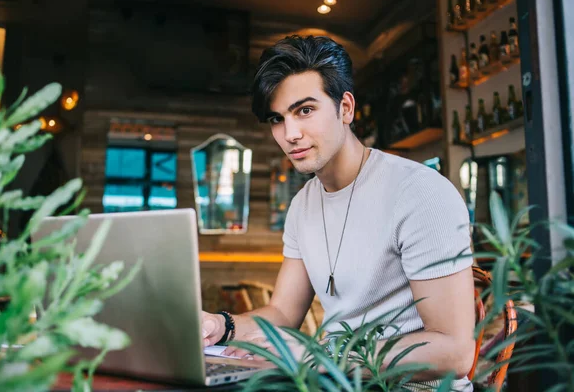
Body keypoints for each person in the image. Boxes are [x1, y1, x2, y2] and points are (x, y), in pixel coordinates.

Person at [202, 35, 475, 390]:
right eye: (276, 119)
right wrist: (221, 325)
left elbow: (454, 352)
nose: (290, 134)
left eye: (305, 110)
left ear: (345, 108)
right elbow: (282, 315)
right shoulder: (302, 205)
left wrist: (321, 355)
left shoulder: (419, 192)